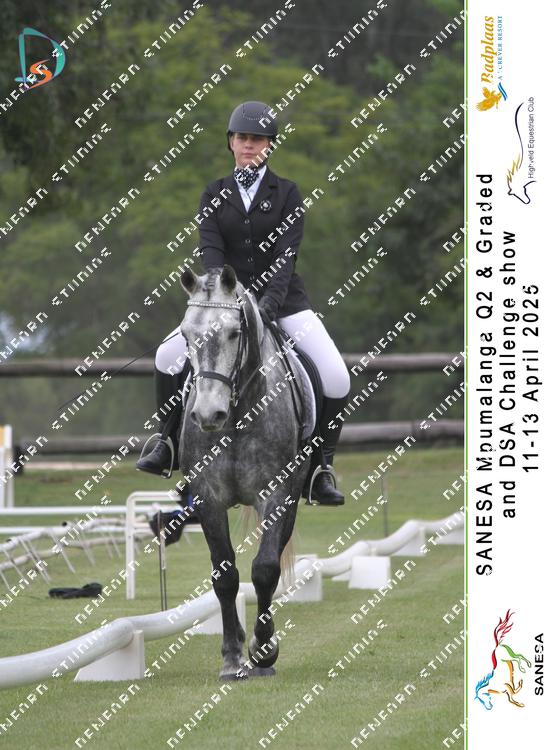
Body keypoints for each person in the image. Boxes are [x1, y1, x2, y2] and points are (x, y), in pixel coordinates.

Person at [137, 101, 351, 505]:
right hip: (225, 306)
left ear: (269, 146)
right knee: (166, 357)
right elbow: (212, 257)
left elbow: (286, 257)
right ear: (231, 143)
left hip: (284, 304)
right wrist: (229, 301)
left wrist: (268, 303)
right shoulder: (213, 194)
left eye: (257, 139)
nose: (249, 144)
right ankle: (168, 443)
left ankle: (320, 469)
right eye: (242, 138)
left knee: (337, 376)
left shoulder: (287, 193)